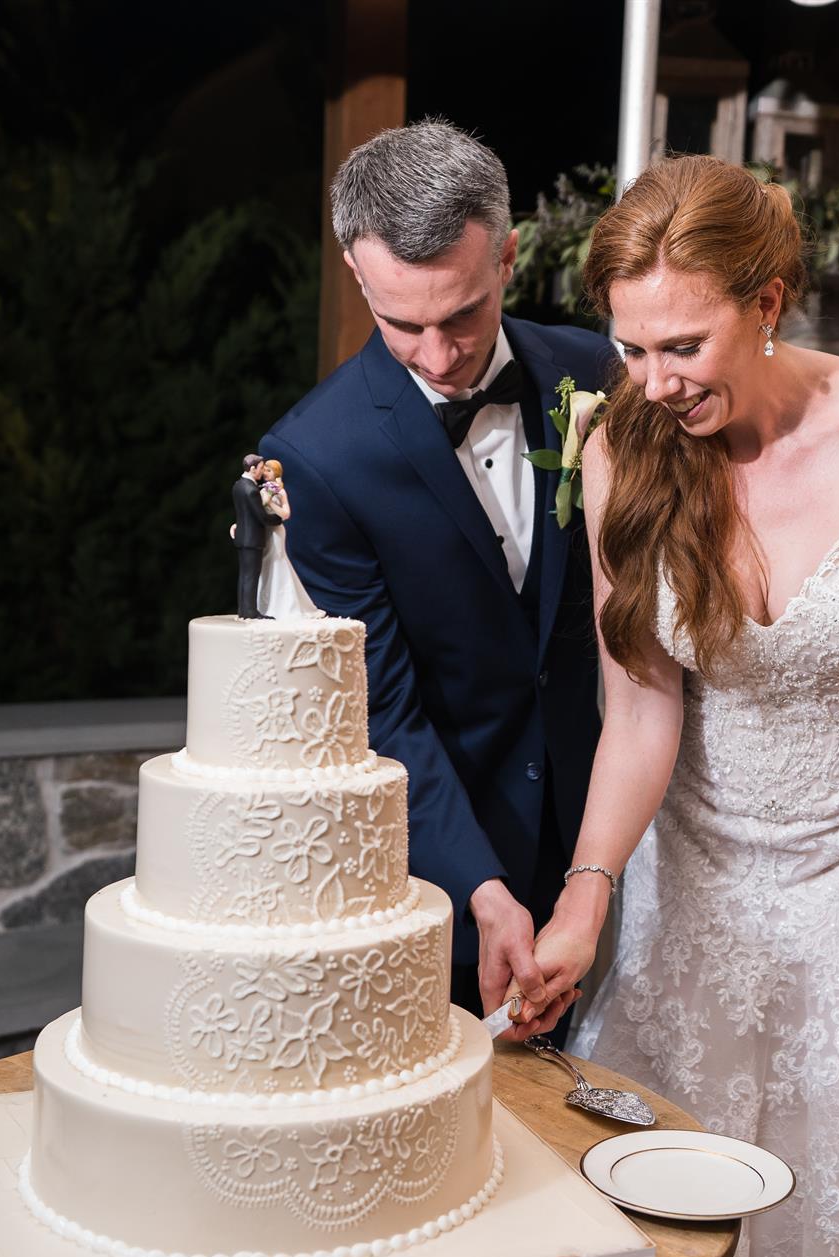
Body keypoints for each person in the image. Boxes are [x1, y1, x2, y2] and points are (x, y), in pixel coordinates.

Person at [531, 156, 839, 1257]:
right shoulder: (621, 446)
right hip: (694, 868)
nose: (653, 382)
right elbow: (638, 709)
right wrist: (586, 895)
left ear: (766, 305)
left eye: (681, 346)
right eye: (630, 349)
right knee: (673, 1180)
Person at [261, 121, 614, 1043]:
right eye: (401, 323)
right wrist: (481, 888)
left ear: (508, 256)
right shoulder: (319, 458)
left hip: (609, 846)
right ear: (356, 272)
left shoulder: (596, 375)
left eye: (461, 315)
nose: (437, 354)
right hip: (441, 869)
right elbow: (382, 709)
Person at [253, 459, 323, 619]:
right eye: (265, 470)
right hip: (264, 530)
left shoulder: (280, 491)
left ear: (276, 473)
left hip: (276, 531)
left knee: (277, 561)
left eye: (269, 470)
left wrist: (271, 502)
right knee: (265, 563)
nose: (265, 473)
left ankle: (283, 604)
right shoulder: (263, 489)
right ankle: (264, 604)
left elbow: (286, 514)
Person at [229, 454, 282, 620]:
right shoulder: (251, 490)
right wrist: (278, 519)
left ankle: (243, 610)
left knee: (244, 575)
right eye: (260, 468)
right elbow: (262, 517)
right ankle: (250, 611)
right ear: (252, 469)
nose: (262, 472)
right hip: (252, 538)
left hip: (242, 536)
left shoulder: (238, 485)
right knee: (251, 575)